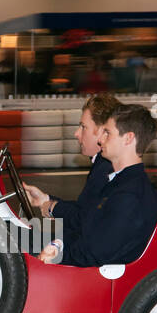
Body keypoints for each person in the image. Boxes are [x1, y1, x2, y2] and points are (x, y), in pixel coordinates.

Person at [36, 103, 157, 267]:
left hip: (94, 277)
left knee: (12, 249)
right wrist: (57, 244)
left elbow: (94, 253)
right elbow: (87, 225)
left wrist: (55, 254)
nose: (100, 140)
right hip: (81, 257)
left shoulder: (129, 195)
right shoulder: (119, 182)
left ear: (128, 138)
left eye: (107, 133)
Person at [23, 92, 121, 234]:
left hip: (88, 247)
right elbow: (86, 208)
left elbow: (83, 220)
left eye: (83, 127)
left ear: (102, 132)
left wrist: (52, 207)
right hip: (90, 241)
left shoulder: (106, 168)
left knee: (14, 242)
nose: (76, 133)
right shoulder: (103, 163)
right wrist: (45, 200)